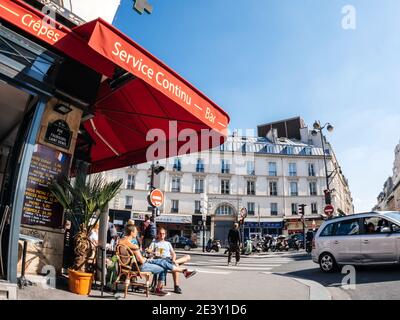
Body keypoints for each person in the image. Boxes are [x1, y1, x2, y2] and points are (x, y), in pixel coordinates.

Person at [120, 225, 196, 296]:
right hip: (139, 267)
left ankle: (183, 271)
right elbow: (142, 261)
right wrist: (147, 259)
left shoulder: (120, 242)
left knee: (163, 262)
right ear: (132, 232)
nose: (137, 233)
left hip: (127, 266)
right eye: (136, 231)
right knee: (164, 265)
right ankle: (159, 288)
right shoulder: (133, 245)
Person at [147, 227, 193, 294]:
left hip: (170, 259)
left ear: (165, 235)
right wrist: (152, 253)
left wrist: (174, 259)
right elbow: (149, 251)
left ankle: (174, 263)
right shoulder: (154, 243)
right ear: (158, 234)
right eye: (160, 233)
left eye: (163, 234)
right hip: (161, 260)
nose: (162, 235)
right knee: (175, 265)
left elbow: (173, 253)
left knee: (187, 256)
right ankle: (176, 286)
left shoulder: (168, 243)